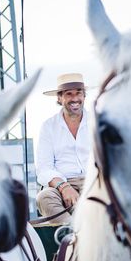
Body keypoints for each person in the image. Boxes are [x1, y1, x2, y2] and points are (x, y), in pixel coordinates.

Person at [35, 73, 90, 225]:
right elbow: (44, 168)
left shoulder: (97, 122)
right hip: (63, 183)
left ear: (84, 96)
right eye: (68, 94)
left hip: (94, 181)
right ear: (59, 98)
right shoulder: (48, 127)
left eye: (78, 93)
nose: (74, 99)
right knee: (44, 197)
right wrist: (64, 186)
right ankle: (74, 235)